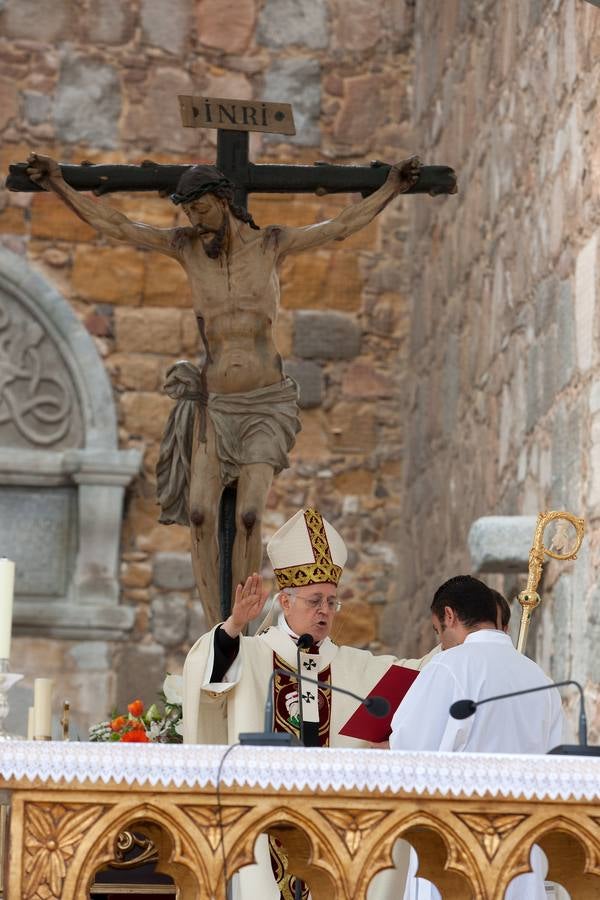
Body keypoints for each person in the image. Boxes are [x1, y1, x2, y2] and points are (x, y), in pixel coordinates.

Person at [25, 152, 422, 623]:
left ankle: (244, 621)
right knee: (198, 513)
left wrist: (392, 187)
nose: (195, 219)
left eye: (202, 208)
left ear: (223, 199)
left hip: (264, 403)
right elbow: (117, 225)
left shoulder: (271, 244)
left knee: (250, 515)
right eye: (188, 211)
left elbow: (339, 226)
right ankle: (220, 628)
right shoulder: (185, 247)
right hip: (216, 405)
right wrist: (59, 186)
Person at [183, 506, 436, 900]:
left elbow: (424, 673)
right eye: (315, 600)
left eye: (332, 602)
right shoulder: (251, 654)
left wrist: (467, 642)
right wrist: (233, 625)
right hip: (265, 825)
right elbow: (207, 672)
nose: (324, 611)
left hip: (334, 827)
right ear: (285, 602)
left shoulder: (353, 666)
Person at [390, 575, 565, 900]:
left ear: (450, 616)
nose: (440, 641)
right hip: (521, 852)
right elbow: (557, 767)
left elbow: (410, 751)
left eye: (437, 630)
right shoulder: (541, 680)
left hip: (454, 848)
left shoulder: (448, 667)